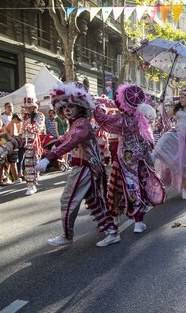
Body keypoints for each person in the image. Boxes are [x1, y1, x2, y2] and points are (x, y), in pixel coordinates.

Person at [35, 82, 119, 247]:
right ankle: (111, 232)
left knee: (67, 200)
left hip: (85, 167)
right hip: (89, 167)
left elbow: (71, 141)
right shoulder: (76, 123)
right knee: (95, 201)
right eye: (64, 106)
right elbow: (66, 138)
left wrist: (49, 158)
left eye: (71, 105)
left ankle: (67, 236)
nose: (67, 109)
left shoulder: (81, 124)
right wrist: (53, 142)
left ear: (80, 107)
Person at [94, 84, 165, 234]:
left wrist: (98, 105)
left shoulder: (123, 120)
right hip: (143, 152)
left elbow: (102, 119)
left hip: (127, 157)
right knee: (143, 181)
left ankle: (136, 221)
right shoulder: (141, 116)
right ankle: (138, 219)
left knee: (132, 186)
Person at [153, 88, 186, 200]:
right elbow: (165, 115)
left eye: (182, 97)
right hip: (177, 135)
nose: (180, 99)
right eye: (179, 97)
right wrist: (162, 102)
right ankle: (154, 154)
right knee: (166, 137)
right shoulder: (177, 109)